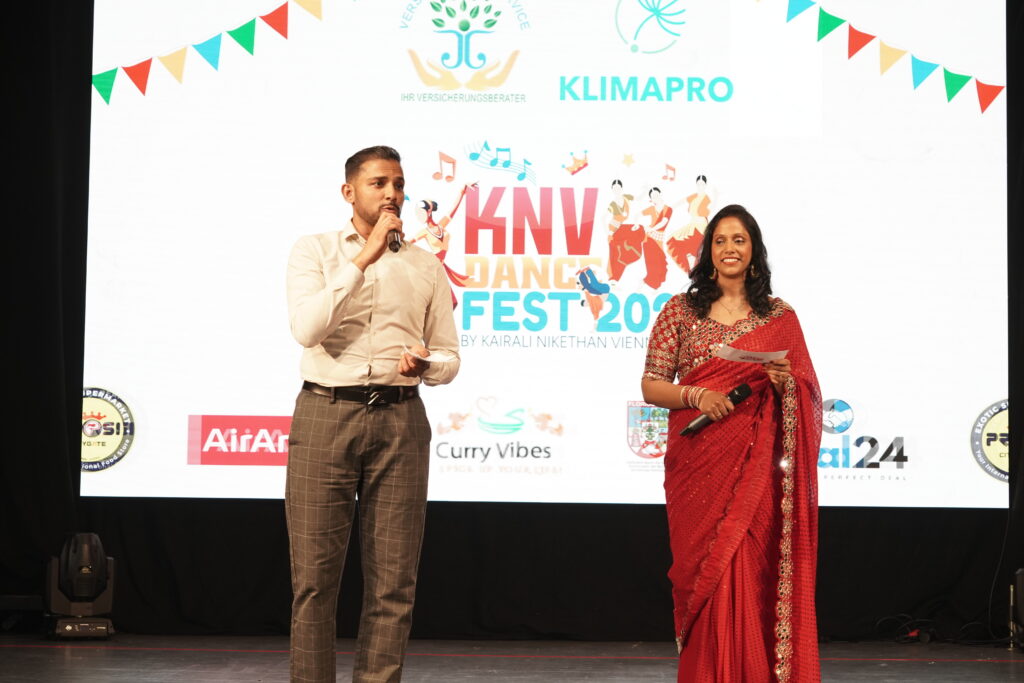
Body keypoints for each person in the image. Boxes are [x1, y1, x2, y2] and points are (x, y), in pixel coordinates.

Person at [285, 145, 460, 683]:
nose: (392, 195)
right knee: (314, 582)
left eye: (399, 184)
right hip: (326, 412)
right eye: (379, 183)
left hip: (400, 419)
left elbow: (449, 356)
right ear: (349, 192)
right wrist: (363, 258)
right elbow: (308, 329)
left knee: (393, 583)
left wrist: (427, 365)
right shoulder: (314, 251)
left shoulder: (425, 266)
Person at [640, 204, 822, 682]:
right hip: (698, 461)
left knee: (749, 564)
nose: (729, 249)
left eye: (739, 240)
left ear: (754, 250)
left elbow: (804, 391)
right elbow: (652, 386)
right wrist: (697, 394)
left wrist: (784, 382)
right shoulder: (680, 311)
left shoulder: (779, 316)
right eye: (720, 241)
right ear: (708, 252)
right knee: (706, 570)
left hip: (757, 470)